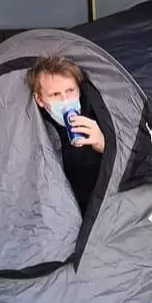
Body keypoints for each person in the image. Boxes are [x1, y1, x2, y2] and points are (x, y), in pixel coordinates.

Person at [25, 55, 106, 212]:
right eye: (55, 95)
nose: (65, 100)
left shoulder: (100, 114)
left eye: (70, 90)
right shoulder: (30, 126)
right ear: (39, 100)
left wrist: (104, 145)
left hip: (100, 212)